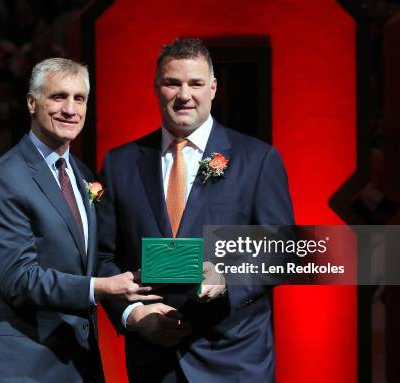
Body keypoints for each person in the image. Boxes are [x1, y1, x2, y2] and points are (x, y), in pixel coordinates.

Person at [97, 38, 294, 382]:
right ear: (157, 87)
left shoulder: (258, 159)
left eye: (196, 83)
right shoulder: (120, 163)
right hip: (153, 362)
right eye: (173, 82)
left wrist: (227, 279)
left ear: (214, 88)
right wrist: (133, 314)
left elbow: (280, 250)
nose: (184, 94)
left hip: (233, 359)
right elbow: (103, 257)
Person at [0, 58, 159, 382]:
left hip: (79, 361)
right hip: (23, 367)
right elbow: (19, 279)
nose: (70, 109)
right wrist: (101, 288)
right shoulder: (2, 180)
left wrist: (136, 308)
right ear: (32, 103)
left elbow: (96, 258)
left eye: (79, 98)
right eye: (58, 97)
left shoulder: (84, 176)